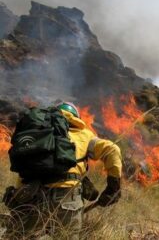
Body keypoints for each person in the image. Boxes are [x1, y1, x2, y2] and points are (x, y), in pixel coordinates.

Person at [3, 102, 122, 239]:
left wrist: (18, 198)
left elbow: (26, 170)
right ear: (75, 117)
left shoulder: (38, 132)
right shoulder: (83, 134)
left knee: (17, 236)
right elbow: (113, 150)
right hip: (66, 200)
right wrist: (114, 186)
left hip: (30, 196)